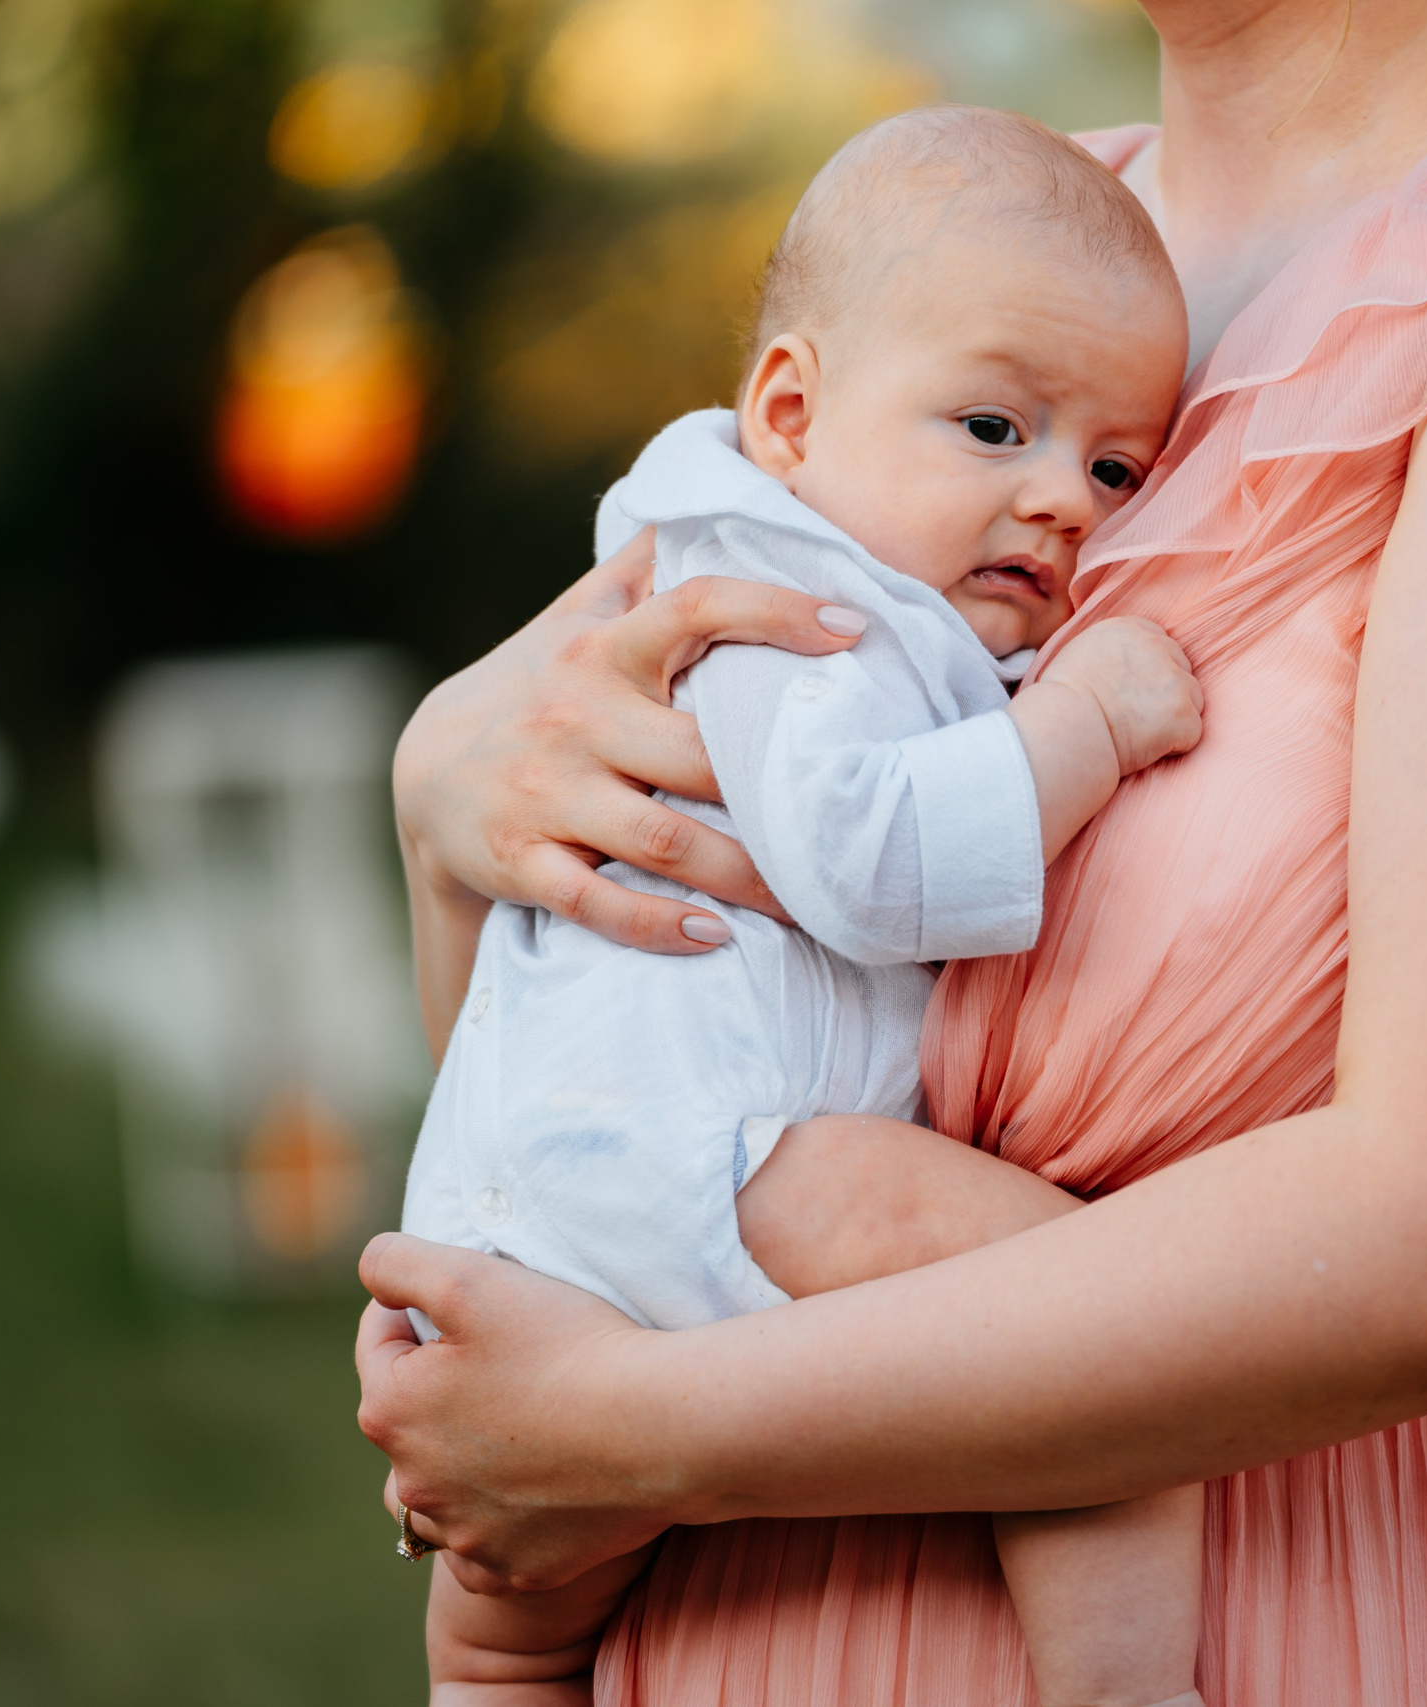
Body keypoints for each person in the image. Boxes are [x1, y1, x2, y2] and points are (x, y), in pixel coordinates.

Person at [359, 0, 1427, 1699]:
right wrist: (446, 816)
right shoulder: (1027, 253)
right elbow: (638, 1026)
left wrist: (631, 1435)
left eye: (1106, 469)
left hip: (1345, 1623)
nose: (1064, 488)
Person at [406, 107, 1210, 1707]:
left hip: (549, 1200)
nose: (1064, 497)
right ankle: (1124, 1685)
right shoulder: (792, 616)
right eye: (996, 427)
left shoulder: (812, 583)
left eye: (1114, 467)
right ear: (790, 410)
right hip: (705, 1159)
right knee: (1092, 1329)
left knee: (515, 1626)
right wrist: (1087, 725)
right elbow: (872, 868)